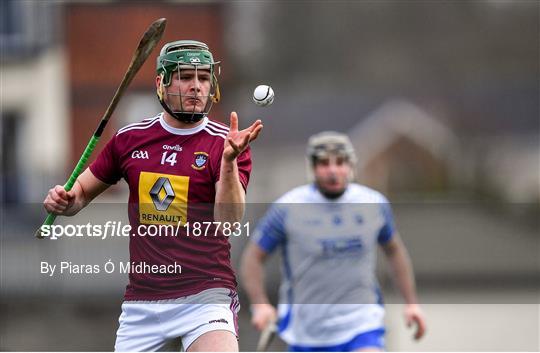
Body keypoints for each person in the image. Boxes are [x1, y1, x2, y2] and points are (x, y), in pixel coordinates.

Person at [43, 40, 262, 352]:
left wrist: (227, 164)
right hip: (143, 302)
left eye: (203, 78)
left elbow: (228, 221)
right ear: (162, 82)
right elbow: (78, 195)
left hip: (206, 295)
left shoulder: (225, 144)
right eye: (186, 77)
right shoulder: (129, 140)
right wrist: (64, 200)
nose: (197, 87)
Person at [240, 131, 426, 352]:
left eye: (340, 162)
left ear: (352, 166)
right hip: (306, 333)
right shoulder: (287, 208)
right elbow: (252, 258)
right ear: (312, 167)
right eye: (324, 163)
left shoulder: (374, 204)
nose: (333, 171)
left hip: (362, 326)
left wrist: (411, 303)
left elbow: (394, 251)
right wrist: (260, 305)